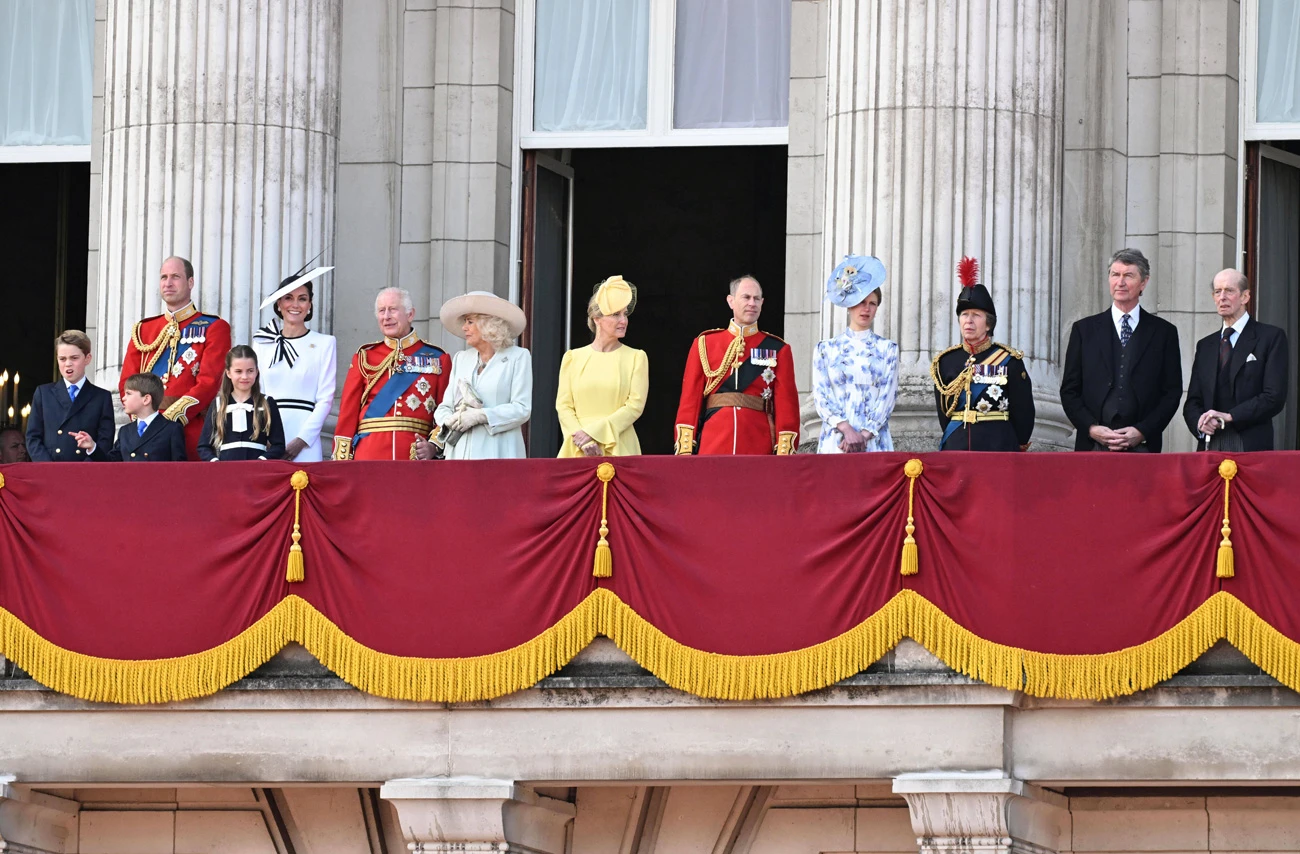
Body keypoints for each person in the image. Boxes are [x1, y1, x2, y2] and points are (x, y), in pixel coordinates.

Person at [1060, 248, 1182, 452]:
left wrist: (1143, 430)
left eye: (1128, 275)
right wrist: (1091, 428)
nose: (1120, 282)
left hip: (1143, 447)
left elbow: (1171, 393)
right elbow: (1070, 390)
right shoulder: (1084, 330)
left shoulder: (1164, 333)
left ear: (1144, 282)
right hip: (1092, 447)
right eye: (1115, 275)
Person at [119, 256, 232, 460]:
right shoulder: (143, 330)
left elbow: (208, 383)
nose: (168, 283)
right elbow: (127, 382)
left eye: (175, 277)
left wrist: (167, 421)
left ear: (190, 282)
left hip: (186, 432)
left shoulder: (214, 327)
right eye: (164, 277)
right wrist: (144, 420)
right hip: (142, 434)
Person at [674, 275, 799, 455]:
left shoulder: (778, 348)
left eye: (757, 299)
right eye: (746, 297)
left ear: (762, 303)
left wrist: (784, 450)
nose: (752, 303)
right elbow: (690, 400)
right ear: (730, 301)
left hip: (758, 442)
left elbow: (787, 405)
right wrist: (686, 448)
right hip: (714, 441)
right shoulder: (705, 343)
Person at [333, 287, 451, 460]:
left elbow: (446, 411)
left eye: (393, 309)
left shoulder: (438, 358)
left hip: (414, 457)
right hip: (368, 455)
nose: (386, 316)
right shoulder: (364, 357)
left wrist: (433, 446)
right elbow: (347, 415)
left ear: (410, 314)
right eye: (382, 311)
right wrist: (342, 462)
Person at [931, 256, 1035, 451]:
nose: (968, 321)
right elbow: (944, 414)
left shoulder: (1009, 361)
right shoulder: (945, 362)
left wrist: (1017, 443)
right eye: (964, 315)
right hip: (957, 446)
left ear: (988, 324)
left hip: (997, 446)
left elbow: (1023, 411)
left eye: (976, 315)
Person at [1183, 269, 1288, 451]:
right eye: (1217, 292)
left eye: (1229, 291)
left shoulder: (1270, 337)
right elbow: (1193, 401)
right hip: (1209, 445)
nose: (1222, 297)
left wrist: (1230, 416)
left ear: (1245, 296)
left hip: (1250, 444)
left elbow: (1274, 397)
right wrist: (1200, 424)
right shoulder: (1205, 345)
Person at [425, 291, 532, 461]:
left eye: (470, 322)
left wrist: (480, 416)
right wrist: (450, 420)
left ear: (488, 324)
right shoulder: (461, 358)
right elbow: (445, 407)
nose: (464, 327)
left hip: (499, 452)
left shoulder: (518, 357)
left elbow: (521, 409)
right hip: (460, 454)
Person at [812, 255, 899, 453]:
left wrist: (864, 434)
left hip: (874, 441)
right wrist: (846, 429)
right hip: (836, 440)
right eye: (861, 301)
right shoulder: (826, 349)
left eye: (872, 303)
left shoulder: (888, 349)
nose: (866, 308)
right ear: (849, 303)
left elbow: (888, 396)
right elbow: (821, 395)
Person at [252, 264, 338, 462]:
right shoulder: (262, 343)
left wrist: (302, 440)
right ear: (279, 304)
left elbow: (325, 399)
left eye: (302, 299)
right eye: (288, 298)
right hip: (267, 437)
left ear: (309, 305)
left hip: (306, 439)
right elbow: (257, 394)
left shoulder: (325, 343)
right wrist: (265, 435)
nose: (295, 304)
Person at [555, 276, 649, 457]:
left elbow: (634, 407)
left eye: (625, 314)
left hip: (620, 446)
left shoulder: (636, 357)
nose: (624, 320)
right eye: (615, 314)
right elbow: (564, 406)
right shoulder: (572, 358)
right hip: (577, 447)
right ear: (596, 318)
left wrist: (594, 433)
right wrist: (582, 439)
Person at [25, 330, 115, 461]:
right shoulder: (43, 393)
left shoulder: (101, 397)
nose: (68, 364)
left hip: (85, 473)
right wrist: (48, 468)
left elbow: (105, 441)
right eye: (62, 359)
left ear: (87, 358)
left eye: (74, 358)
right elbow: (33, 438)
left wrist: (83, 470)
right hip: (51, 472)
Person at [198, 346, 286, 461]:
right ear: (228, 373)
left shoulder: (267, 403)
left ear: (257, 372)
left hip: (257, 472)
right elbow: (203, 446)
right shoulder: (218, 404)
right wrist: (215, 463)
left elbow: (278, 445)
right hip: (226, 471)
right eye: (238, 371)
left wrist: (262, 461)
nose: (244, 377)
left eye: (250, 371)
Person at [76, 373, 187, 461]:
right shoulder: (125, 431)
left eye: (128, 394)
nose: (123, 398)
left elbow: (178, 469)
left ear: (146, 399)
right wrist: (92, 447)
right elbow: (111, 463)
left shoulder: (171, 429)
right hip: (127, 488)